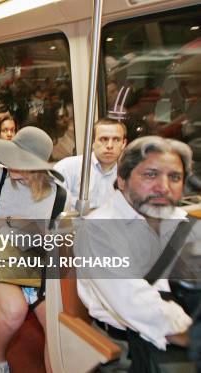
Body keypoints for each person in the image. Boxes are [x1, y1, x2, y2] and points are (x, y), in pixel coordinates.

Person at [75, 136, 198, 372]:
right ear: (122, 180)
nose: (164, 186)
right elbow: (136, 305)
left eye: (174, 177)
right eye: (150, 174)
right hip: (127, 345)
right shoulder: (98, 230)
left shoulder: (180, 222)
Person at [0, 127, 68, 373]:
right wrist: (11, 221)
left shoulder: (58, 195)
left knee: (57, 323)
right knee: (14, 309)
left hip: (32, 263)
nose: (10, 164)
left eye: (19, 160)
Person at [54, 118, 127, 209]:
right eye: (104, 139)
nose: (110, 146)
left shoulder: (128, 174)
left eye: (116, 139)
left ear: (124, 143)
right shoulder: (67, 168)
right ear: (92, 142)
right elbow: (53, 209)